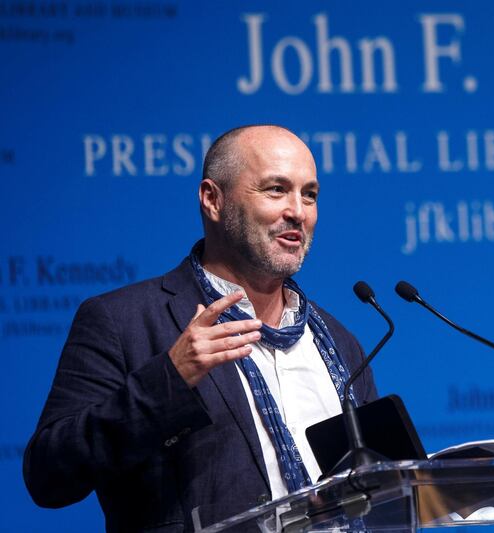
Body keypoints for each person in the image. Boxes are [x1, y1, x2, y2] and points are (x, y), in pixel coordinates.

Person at [23, 125, 377, 532]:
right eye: (276, 190)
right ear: (213, 200)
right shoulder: (125, 322)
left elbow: (381, 493)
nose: (298, 211)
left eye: (309, 194)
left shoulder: (338, 343)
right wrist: (169, 381)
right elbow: (48, 475)